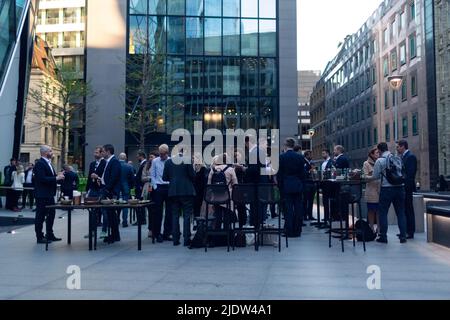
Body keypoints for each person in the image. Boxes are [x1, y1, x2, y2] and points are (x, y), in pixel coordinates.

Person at [372, 142, 407, 244]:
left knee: (383, 213)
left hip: (387, 189)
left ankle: (383, 236)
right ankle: (403, 236)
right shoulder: (397, 158)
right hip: (400, 188)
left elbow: (375, 176)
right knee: (400, 212)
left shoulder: (380, 160)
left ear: (379, 150)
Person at [163, 149, 196, 247]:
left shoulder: (168, 162)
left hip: (173, 191)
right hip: (186, 191)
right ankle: (186, 239)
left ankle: (175, 239)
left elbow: (164, 178)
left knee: (175, 215)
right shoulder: (187, 160)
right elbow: (193, 175)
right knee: (186, 215)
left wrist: (173, 179)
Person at [34, 146, 65, 244]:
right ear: (44, 152)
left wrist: (58, 176)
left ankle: (50, 234)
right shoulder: (40, 164)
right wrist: (56, 178)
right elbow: (42, 179)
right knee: (40, 216)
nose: (52, 152)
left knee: (51, 215)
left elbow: (50, 177)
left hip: (50, 194)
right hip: (42, 195)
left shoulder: (49, 163)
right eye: (50, 151)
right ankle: (39, 237)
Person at [277, 138, 305, 237]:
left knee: (288, 209)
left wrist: (280, 186)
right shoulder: (300, 157)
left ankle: (289, 231)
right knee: (298, 208)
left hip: (286, 185)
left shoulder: (281, 157)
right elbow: (303, 174)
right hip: (297, 184)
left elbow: (279, 174)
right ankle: (297, 230)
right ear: (293, 145)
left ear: (285, 145)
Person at [207, 154, 238, 230]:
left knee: (218, 216)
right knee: (227, 216)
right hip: (227, 197)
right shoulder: (230, 169)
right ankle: (227, 237)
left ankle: (217, 237)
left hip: (216, 198)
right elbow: (235, 185)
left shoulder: (213, 170)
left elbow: (209, 184)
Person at [100, 144, 122, 244]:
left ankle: (114, 235)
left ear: (108, 151)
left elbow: (114, 177)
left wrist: (107, 189)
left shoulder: (114, 162)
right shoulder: (109, 162)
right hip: (108, 190)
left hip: (111, 192)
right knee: (110, 214)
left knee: (112, 214)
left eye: (103, 151)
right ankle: (114, 235)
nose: (102, 153)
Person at [150, 144, 172, 243]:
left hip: (168, 187)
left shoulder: (171, 161)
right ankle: (157, 233)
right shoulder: (155, 161)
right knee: (157, 212)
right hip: (159, 187)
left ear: (167, 153)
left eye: (163, 154)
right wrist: (155, 187)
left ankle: (167, 233)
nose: (161, 156)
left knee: (169, 212)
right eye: (160, 154)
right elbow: (152, 175)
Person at [397, 140, 417, 239]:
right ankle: (405, 231)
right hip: (403, 187)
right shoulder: (403, 157)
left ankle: (410, 231)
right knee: (404, 209)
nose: (397, 148)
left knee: (408, 209)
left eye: (398, 147)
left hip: (407, 188)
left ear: (403, 146)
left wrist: (405, 186)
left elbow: (410, 174)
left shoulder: (410, 156)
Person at [86, 146, 107, 236]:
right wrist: (87, 189)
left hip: (101, 189)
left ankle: (104, 230)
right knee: (92, 210)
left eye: (97, 153)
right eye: (94, 153)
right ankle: (92, 231)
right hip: (93, 189)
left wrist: (97, 177)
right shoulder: (92, 164)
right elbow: (88, 177)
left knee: (103, 210)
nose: (95, 154)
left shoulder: (105, 163)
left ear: (102, 153)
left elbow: (106, 177)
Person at [363, 148, 380, 233]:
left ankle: (379, 228)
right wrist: (374, 176)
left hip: (380, 190)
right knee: (371, 210)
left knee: (379, 210)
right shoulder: (366, 163)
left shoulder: (380, 162)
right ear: (372, 154)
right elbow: (365, 177)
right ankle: (371, 227)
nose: (378, 154)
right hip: (371, 190)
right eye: (377, 153)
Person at [141, 152, 157, 235]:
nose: (150, 158)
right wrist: (150, 178)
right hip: (147, 190)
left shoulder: (158, 165)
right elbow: (142, 178)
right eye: (150, 157)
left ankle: (155, 229)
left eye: (152, 157)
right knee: (150, 210)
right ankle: (150, 229)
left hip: (156, 189)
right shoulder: (146, 166)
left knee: (156, 211)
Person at [118, 153, 134, 227]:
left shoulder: (115, 165)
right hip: (126, 186)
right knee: (125, 205)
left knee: (115, 203)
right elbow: (132, 178)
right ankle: (125, 222)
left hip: (116, 187)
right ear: (126, 158)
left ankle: (117, 219)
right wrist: (131, 186)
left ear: (119, 157)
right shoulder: (129, 166)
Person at [320, 149, 333, 226]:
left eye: (323, 153)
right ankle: (326, 217)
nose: (322, 155)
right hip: (324, 184)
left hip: (329, 185)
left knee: (328, 202)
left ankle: (329, 218)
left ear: (327, 153)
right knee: (325, 202)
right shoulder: (323, 162)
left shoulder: (331, 162)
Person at [303, 150, 316, 222]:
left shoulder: (311, 162)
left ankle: (310, 215)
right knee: (305, 200)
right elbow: (303, 172)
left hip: (312, 183)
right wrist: (309, 171)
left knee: (311, 200)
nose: (312, 156)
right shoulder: (303, 162)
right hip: (306, 184)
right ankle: (304, 215)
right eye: (310, 155)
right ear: (307, 155)